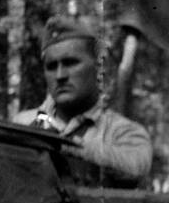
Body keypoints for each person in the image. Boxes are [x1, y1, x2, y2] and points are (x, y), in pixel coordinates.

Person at [14, 16, 152, 187]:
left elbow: (135, 166)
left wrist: (60, 145)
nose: (60, 76)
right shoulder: (22, 124)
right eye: (51, 66)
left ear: (97, 67)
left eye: (70, 63)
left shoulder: (122, 132)